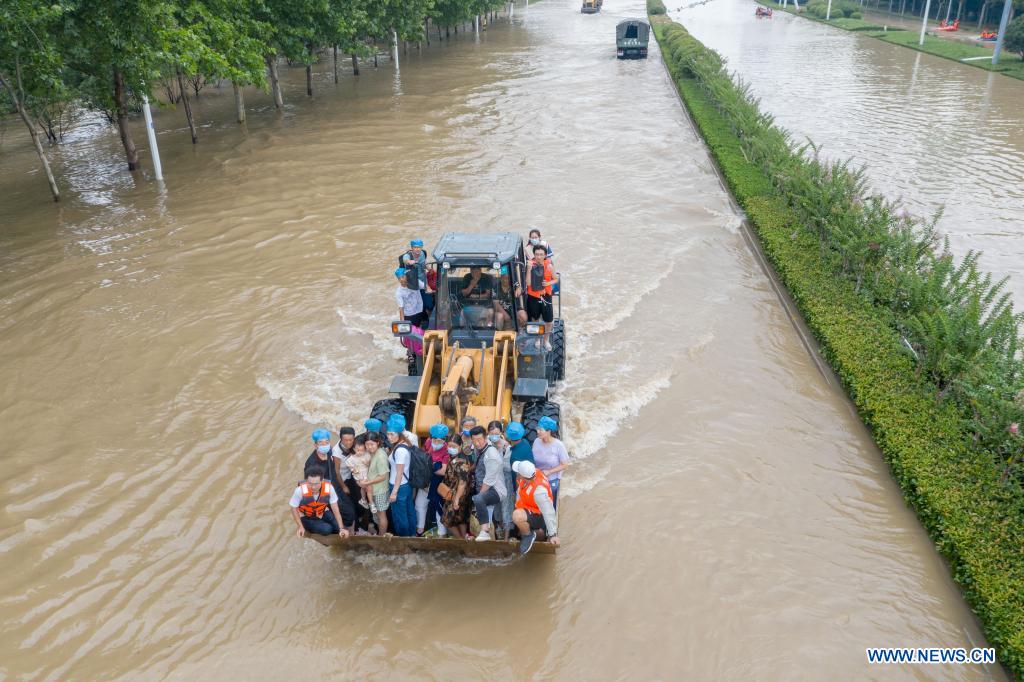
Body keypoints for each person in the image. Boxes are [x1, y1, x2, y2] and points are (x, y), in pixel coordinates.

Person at [305, 428, 356, 531]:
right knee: (344, 512)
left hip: (336, 486)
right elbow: (310, 485)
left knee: (351, 510)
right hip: (325, 492)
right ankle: (344, 531)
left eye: (326, 442)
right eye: (321, 443)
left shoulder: (330, 452)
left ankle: (351, 532)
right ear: (315, 445)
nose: (324, 445)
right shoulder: (311, 463)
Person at [290, 464, 350, 539]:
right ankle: (311, 528)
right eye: (310, 484)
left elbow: (335, 508)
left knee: (339, 528)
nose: (313, 487)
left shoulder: (329, 488)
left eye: (316, 484)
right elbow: (293, 508)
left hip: (322, 511)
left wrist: (341, 528)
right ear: (306, 481)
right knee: (327, 529)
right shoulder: (299, 491)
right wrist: (300, 526)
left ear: (322, 481)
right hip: (307, 516)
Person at [511, 460, 558, 555]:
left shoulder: (539, 491)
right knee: (517, 518)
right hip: (529, 507)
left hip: (539, 515)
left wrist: (553, 534)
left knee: (517, 516)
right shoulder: (531, 473)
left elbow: (548, 512)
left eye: (518, 473)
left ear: (523, 476)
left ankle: (528, 535)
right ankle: (527, 531)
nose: (517, 474)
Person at [469, 425, 506, 541]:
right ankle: (485, 537)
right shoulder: (479, 449)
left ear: (486, 438)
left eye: (479, 440)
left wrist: (479, 496)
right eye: (474, 440)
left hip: (494, 490)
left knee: (479, 500)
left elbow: (489, 480)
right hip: (484, 488)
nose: (477, 443)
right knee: (486, 516)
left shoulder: (491, 455)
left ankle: (485, 532)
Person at [386, 415, 417, 537]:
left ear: (399, 434)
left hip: (398, 486)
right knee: (410, 512)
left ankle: (403, 538)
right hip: (406, 485)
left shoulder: (400, 450)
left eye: (392, 434)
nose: (389, 437)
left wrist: (394, 492)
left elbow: (399, 473)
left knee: (400, 515)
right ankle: (412, 535)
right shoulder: (405, 444)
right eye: (388, 434)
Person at [531, 416, 570, 505]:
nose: (538, 432)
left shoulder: (558, 445)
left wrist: (549, 471)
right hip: (537, 478)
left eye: (541, 430)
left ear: (549, 431)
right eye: (538, 429)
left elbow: (565, 465)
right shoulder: (536, 441)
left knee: (550, 503)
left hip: (551, 480)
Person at [440, 434, 473, 539]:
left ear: (460, 446)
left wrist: (456, 500)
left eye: (454, 446)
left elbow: (462, 483)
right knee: (460, 518)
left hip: (458, 495)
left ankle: (460, 540)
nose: (451, 448)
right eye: (449, 446)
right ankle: (463, 539)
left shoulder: (462, 461)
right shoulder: (452, 457)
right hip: (452, 492)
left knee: (447, 520)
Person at [488, 420, 514, 537]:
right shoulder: (487, 443)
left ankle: (507, 535)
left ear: (501, 432)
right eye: (491, 433)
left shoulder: (506, 447)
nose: (494, 436)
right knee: (496, 505)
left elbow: (508, 467)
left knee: (506, 505)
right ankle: (498, 529)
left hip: (505, 479)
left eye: (496, 433)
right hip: (493, 479)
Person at [361, 433, 390, 535]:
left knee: (381, 515)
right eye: (367, 444)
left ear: (377, 443)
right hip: (373, 490)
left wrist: (367, 482)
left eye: (372, 444)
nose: (369, 447)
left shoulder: (381, 456)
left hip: (380, 491)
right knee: (376, 515)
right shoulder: (373, 453)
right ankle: (380, 533)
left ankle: (382, 537)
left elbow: (383, 476)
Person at [425, 423, 451, 537]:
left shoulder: (447, 450)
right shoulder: (428, 442)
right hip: (428, 481)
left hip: (439, 482)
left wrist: (428, 467)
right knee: (422, 505)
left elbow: (443, 471)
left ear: (444, 440)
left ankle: (442, 532)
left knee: (438, 506)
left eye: (439, 441)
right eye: (434, 440)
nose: (436, 443)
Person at [525, 244, 557, 337]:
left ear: (545, 255)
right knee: (535, 320)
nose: (539, 257)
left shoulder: (549, 266)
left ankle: (546, 340)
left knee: (549, 321)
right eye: (537, 254)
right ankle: (537, 339)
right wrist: (529, 269)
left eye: (541, 254)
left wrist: (548, 283)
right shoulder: (530, 264)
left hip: (546, 296)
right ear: (534, 255)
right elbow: (528, 284)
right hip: (533, 296)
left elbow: (556, 279)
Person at [400, 239, 434, 314]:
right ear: (412, 248)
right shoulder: (407, 255)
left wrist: (430, 269)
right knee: (415, 304)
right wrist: (409, 262)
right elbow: (405, 260)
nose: (417, 249)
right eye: (415, 247)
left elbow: (424, 262)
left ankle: (428, 314)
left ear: (422, 247)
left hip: (423, 280)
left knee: (428, 303)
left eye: (419, 247)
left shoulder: (422, 253)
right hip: (413, 283)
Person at [346, 434, 373, 515]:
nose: (360, 452)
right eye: (358, 450)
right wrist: (353, 470)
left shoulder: (367, 455)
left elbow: (370, 465)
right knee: (366, 487)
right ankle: (367, 501)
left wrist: (367, 463)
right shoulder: (352, 458)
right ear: (354, 449)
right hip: (360, 475)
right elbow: (349, 465)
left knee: (367, 488)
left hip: (366, 474)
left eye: (362, 450)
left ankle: (365, 500)